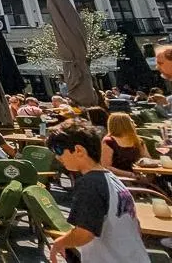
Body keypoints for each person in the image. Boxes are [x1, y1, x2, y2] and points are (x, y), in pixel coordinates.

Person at [46, 118, 149, 263]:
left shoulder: (89, 184)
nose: (57, 157)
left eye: (58, 150)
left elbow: (84, 234)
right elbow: (136, 225)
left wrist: (59, 243)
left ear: (79, 150)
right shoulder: (111, 179)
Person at [100, 112, 147, 180]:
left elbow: (147, 159)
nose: (134, 124)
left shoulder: (137, 141)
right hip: (119, 180)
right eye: (131, 122)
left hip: (138, 176)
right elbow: (106, 166)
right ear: (125, 125)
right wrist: (130, 174)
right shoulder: (109, 141)